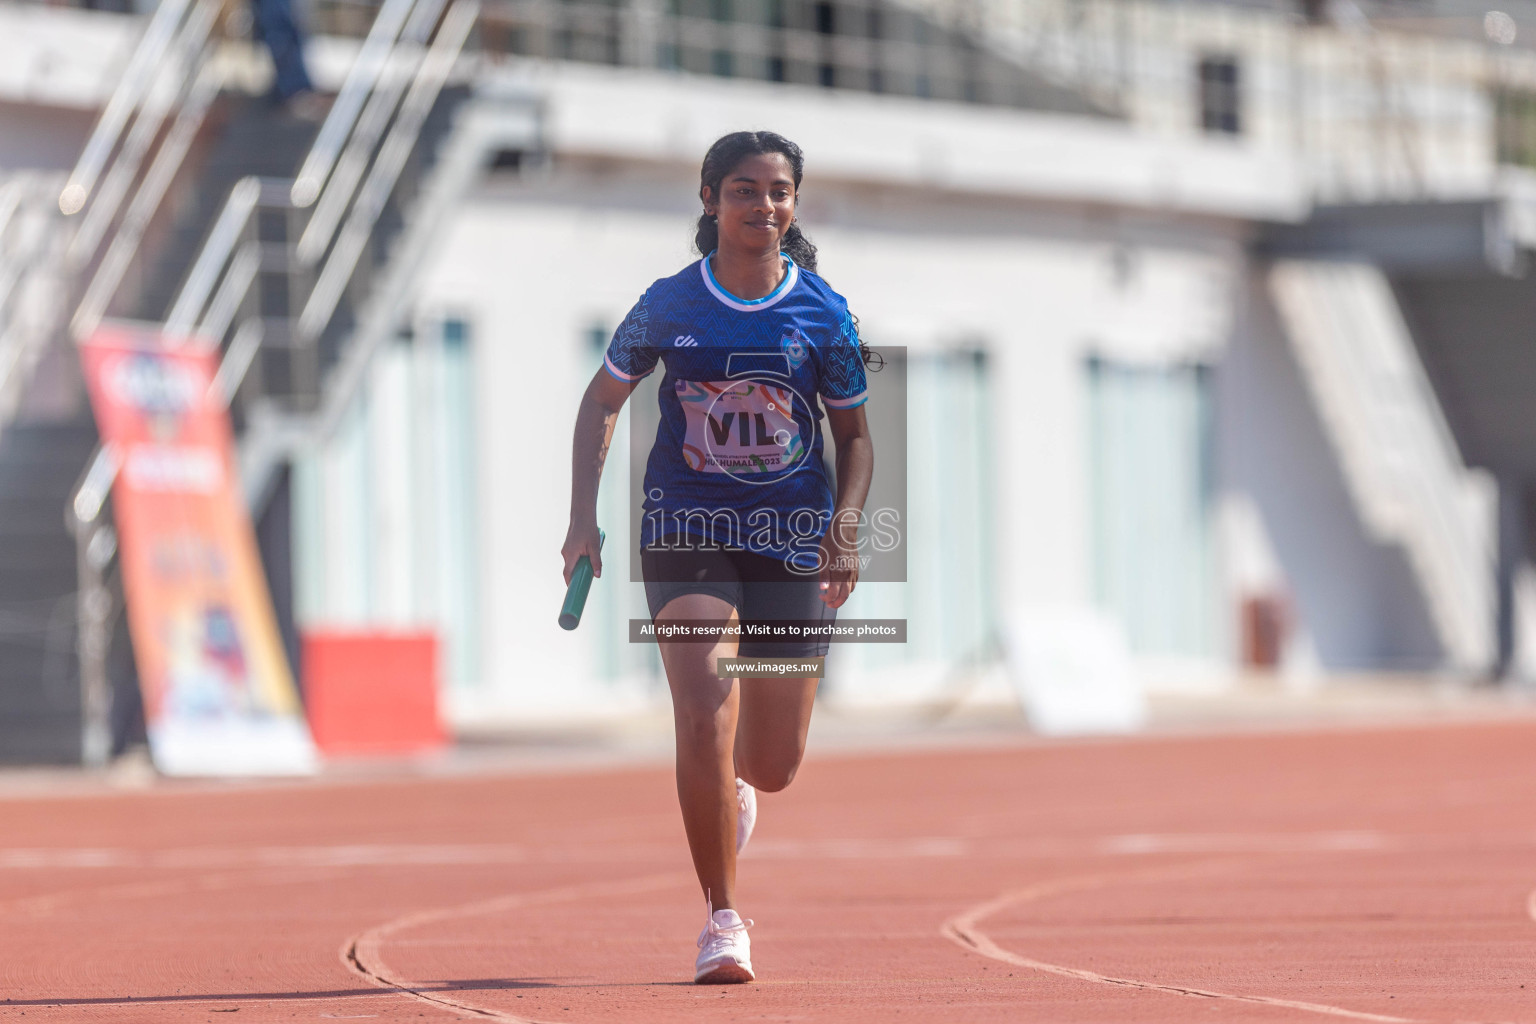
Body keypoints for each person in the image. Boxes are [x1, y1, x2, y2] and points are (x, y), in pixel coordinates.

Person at [562, 130, 875, 984]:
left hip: (788, 540)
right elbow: (602, 402)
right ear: (710, 200)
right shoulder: (670, 304)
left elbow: (855, 439)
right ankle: (723, 919)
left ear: (794, 205)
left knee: (772, 762)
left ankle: (730, 788)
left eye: (778, 192)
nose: (763, 206)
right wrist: (583, 520)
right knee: (703, 705)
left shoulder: (824, 313)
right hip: (686, 526)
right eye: (744, 190)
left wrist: (844, 527)